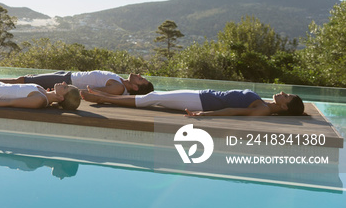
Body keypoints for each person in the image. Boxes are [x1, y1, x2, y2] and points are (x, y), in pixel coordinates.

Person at [81, 87, 305, 116]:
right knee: (154, 97)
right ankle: (106, 97)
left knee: (153, 98)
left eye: (287, 96)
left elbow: (232, 111)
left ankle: (101, 98)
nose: (283, 93)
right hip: (202, 95)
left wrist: (203, 115)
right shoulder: (265, 103)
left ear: (285, 105)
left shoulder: (264, 108)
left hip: (200, 102)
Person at [0, 64, 154, 96]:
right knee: (27, 79)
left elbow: (93, 92)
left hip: (67, 81)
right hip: (68, 75)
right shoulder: (120, 81)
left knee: (25, 80)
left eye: (141, 79)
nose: (139, 75)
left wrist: (62, 91)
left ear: (137, 87)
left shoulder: (119, 88)